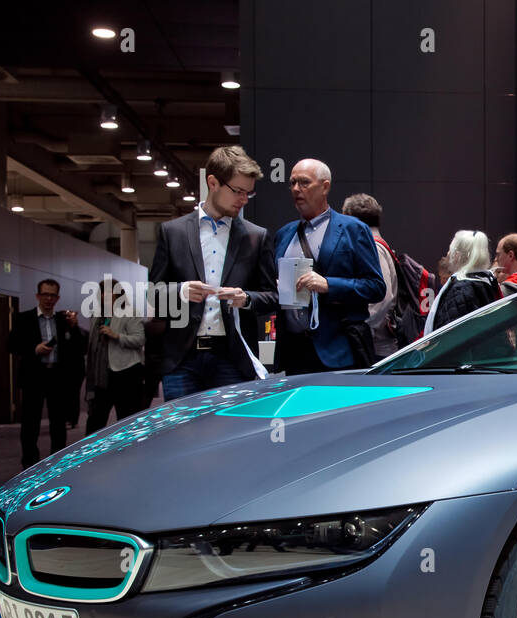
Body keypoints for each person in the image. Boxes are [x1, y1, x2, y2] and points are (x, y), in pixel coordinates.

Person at [148, 145, 277, 400]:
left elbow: (273, 297)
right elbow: (153, 294)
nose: (243, 199)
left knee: (232, 437)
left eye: (248, 194)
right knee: (181, 438)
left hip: (232, 358)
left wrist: (246, 298)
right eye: (238, 191)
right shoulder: (172, 232)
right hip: (181, 359)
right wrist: (182, 291)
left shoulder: (256, 236)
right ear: (213, 182)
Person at [273, 158, 387, 373]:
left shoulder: (353, 229)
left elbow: (375, 287)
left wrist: (328, 284)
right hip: (293, 350)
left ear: (325, 186)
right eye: (293, 183)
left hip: (338, 351)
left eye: (304, 183)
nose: (296, 189)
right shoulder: (284, 234)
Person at [7, 279, 85, 469]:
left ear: (57, 298)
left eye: (52, 295)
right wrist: (34, 349)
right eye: (45, 294)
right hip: (34, 376)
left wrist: (74, 327)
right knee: (30, 424)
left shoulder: (64, 320)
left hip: (57, 377)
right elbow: (12, 345)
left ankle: (57, 464)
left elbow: (80, 348)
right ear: (37, 296)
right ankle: (29, 464)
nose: (49, 299)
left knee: (58, 423)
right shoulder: (23, 318)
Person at [341, 192, 400, 360]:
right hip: (376, 343)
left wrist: (362, 327)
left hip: (377, 346)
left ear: (351, 220)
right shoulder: (376, 244)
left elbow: (384, 297)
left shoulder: (373, 247)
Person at [85, 278, 146, 433]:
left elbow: (139, 340)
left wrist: (116, 336)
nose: (104, 296)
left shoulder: (130, 313)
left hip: (126, 373)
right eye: (102, 292)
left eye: (108, 292)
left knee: (127, 420)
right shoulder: (96, 315)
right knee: (95, 421)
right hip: (102, 374)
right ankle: (92, 456)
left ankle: (129, 455)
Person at [425, 231, 501, 334]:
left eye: (449, 250)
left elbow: (450, 337)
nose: (447, 254)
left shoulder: (460, 290)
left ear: (456, 255)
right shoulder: (486, 282)